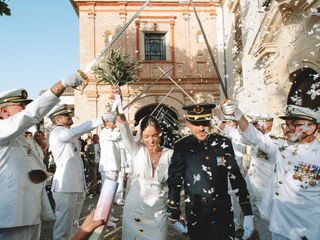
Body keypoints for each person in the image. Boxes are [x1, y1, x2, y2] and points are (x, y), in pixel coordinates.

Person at [0, 72, 84, 240]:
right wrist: (61, 85)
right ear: (4, 110)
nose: (24, 109)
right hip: (11, 214)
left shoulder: (25, 139)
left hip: (30, 212)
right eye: (21, 105)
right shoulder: (2, 130)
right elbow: (30, 115)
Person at [222, 101, 320, 240]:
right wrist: (237, 114)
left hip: (308, 231)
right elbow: (254, 136)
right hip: (280, 228)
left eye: (295, 124)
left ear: (311, 128)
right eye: (287, 124)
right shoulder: (281, 147)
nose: (288, 129)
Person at [167, 102, 254, 240]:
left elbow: (236, 177)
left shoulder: (223, 144)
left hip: (223, 213)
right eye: (196, 124)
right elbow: (174, 181)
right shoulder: (182, 147)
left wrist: (248, 212)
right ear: (188, 124)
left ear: (211, 122)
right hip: (197, 214)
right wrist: (173, 213)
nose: (201, 128)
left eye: (205, 123)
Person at [48, 103, 112, 240]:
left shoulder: (69, 135)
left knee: (73, 225)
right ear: (57, 120)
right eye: (66, 115)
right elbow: (75, 131)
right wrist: (101, 120)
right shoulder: (58, 132)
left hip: (76, 185)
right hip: (65, 187)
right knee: (63, 228)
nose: (70, 116)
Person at [113, 112, 174, 240]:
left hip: (158, 210)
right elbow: (125, 132)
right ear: (141, 135)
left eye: (154, 135)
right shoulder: (136, 149)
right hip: (135, 207)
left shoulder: (170, 154)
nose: (151, 140)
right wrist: (118, 108)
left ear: (160, 133)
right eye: (146, 136)